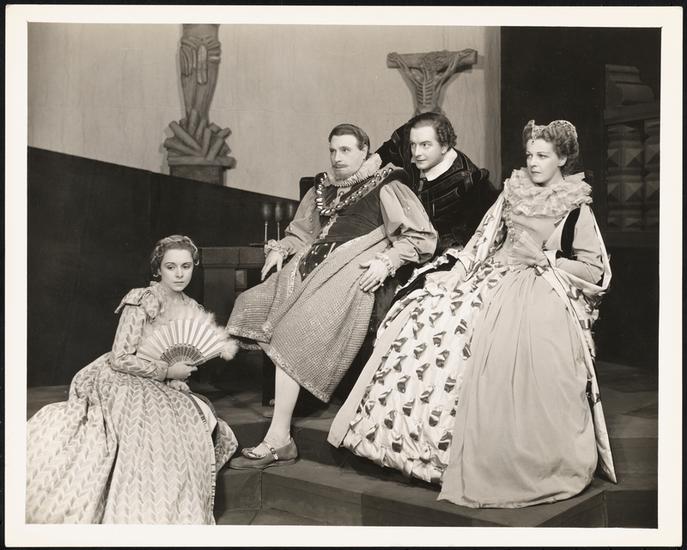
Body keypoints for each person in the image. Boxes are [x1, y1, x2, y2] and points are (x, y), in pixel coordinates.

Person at [328, 120, 617, 508]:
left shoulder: (575, 205)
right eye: (529, 155)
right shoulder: (513, 191)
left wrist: (547, 260)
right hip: (492, 273)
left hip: (538, 284)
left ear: (562, 159)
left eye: (543, 156)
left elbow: (594, 269)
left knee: (519, 342)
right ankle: (413, 446)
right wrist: (457, 273)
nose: (533, 162)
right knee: (427, 312)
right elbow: (482, 241)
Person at [226, 123, 437, 469]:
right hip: (308, 266)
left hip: (350, 271)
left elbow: (420, 236)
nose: (337, 158)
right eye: (333, 150)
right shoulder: (322, 189)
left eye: (346, 150)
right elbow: (302, 234)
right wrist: (282, 249)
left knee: (294, 330)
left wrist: (388, 261)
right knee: (251, 303)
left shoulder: (387, 185)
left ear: (365, 151)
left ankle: (279, 438)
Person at [26, 235, 239, 524]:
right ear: (158, 269)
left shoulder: (193, 308)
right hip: (123, 375)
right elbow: (120, 358)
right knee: (145, 423)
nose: (179, 274)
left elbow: (186, 354)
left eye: (186, 266)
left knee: (193, 416)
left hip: (165, 383)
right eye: (171, 267)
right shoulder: (143, 300)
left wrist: (177, 375)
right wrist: (166, 372)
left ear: (194, 267)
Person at [363, 111, 494, 253]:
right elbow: (399, 141)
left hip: (438, 251)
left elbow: (471, 239)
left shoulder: (471, 183)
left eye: (425, 145)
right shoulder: (419, 146)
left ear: (444, 146)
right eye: (413, 145)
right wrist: (374, 161)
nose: (416, 153)